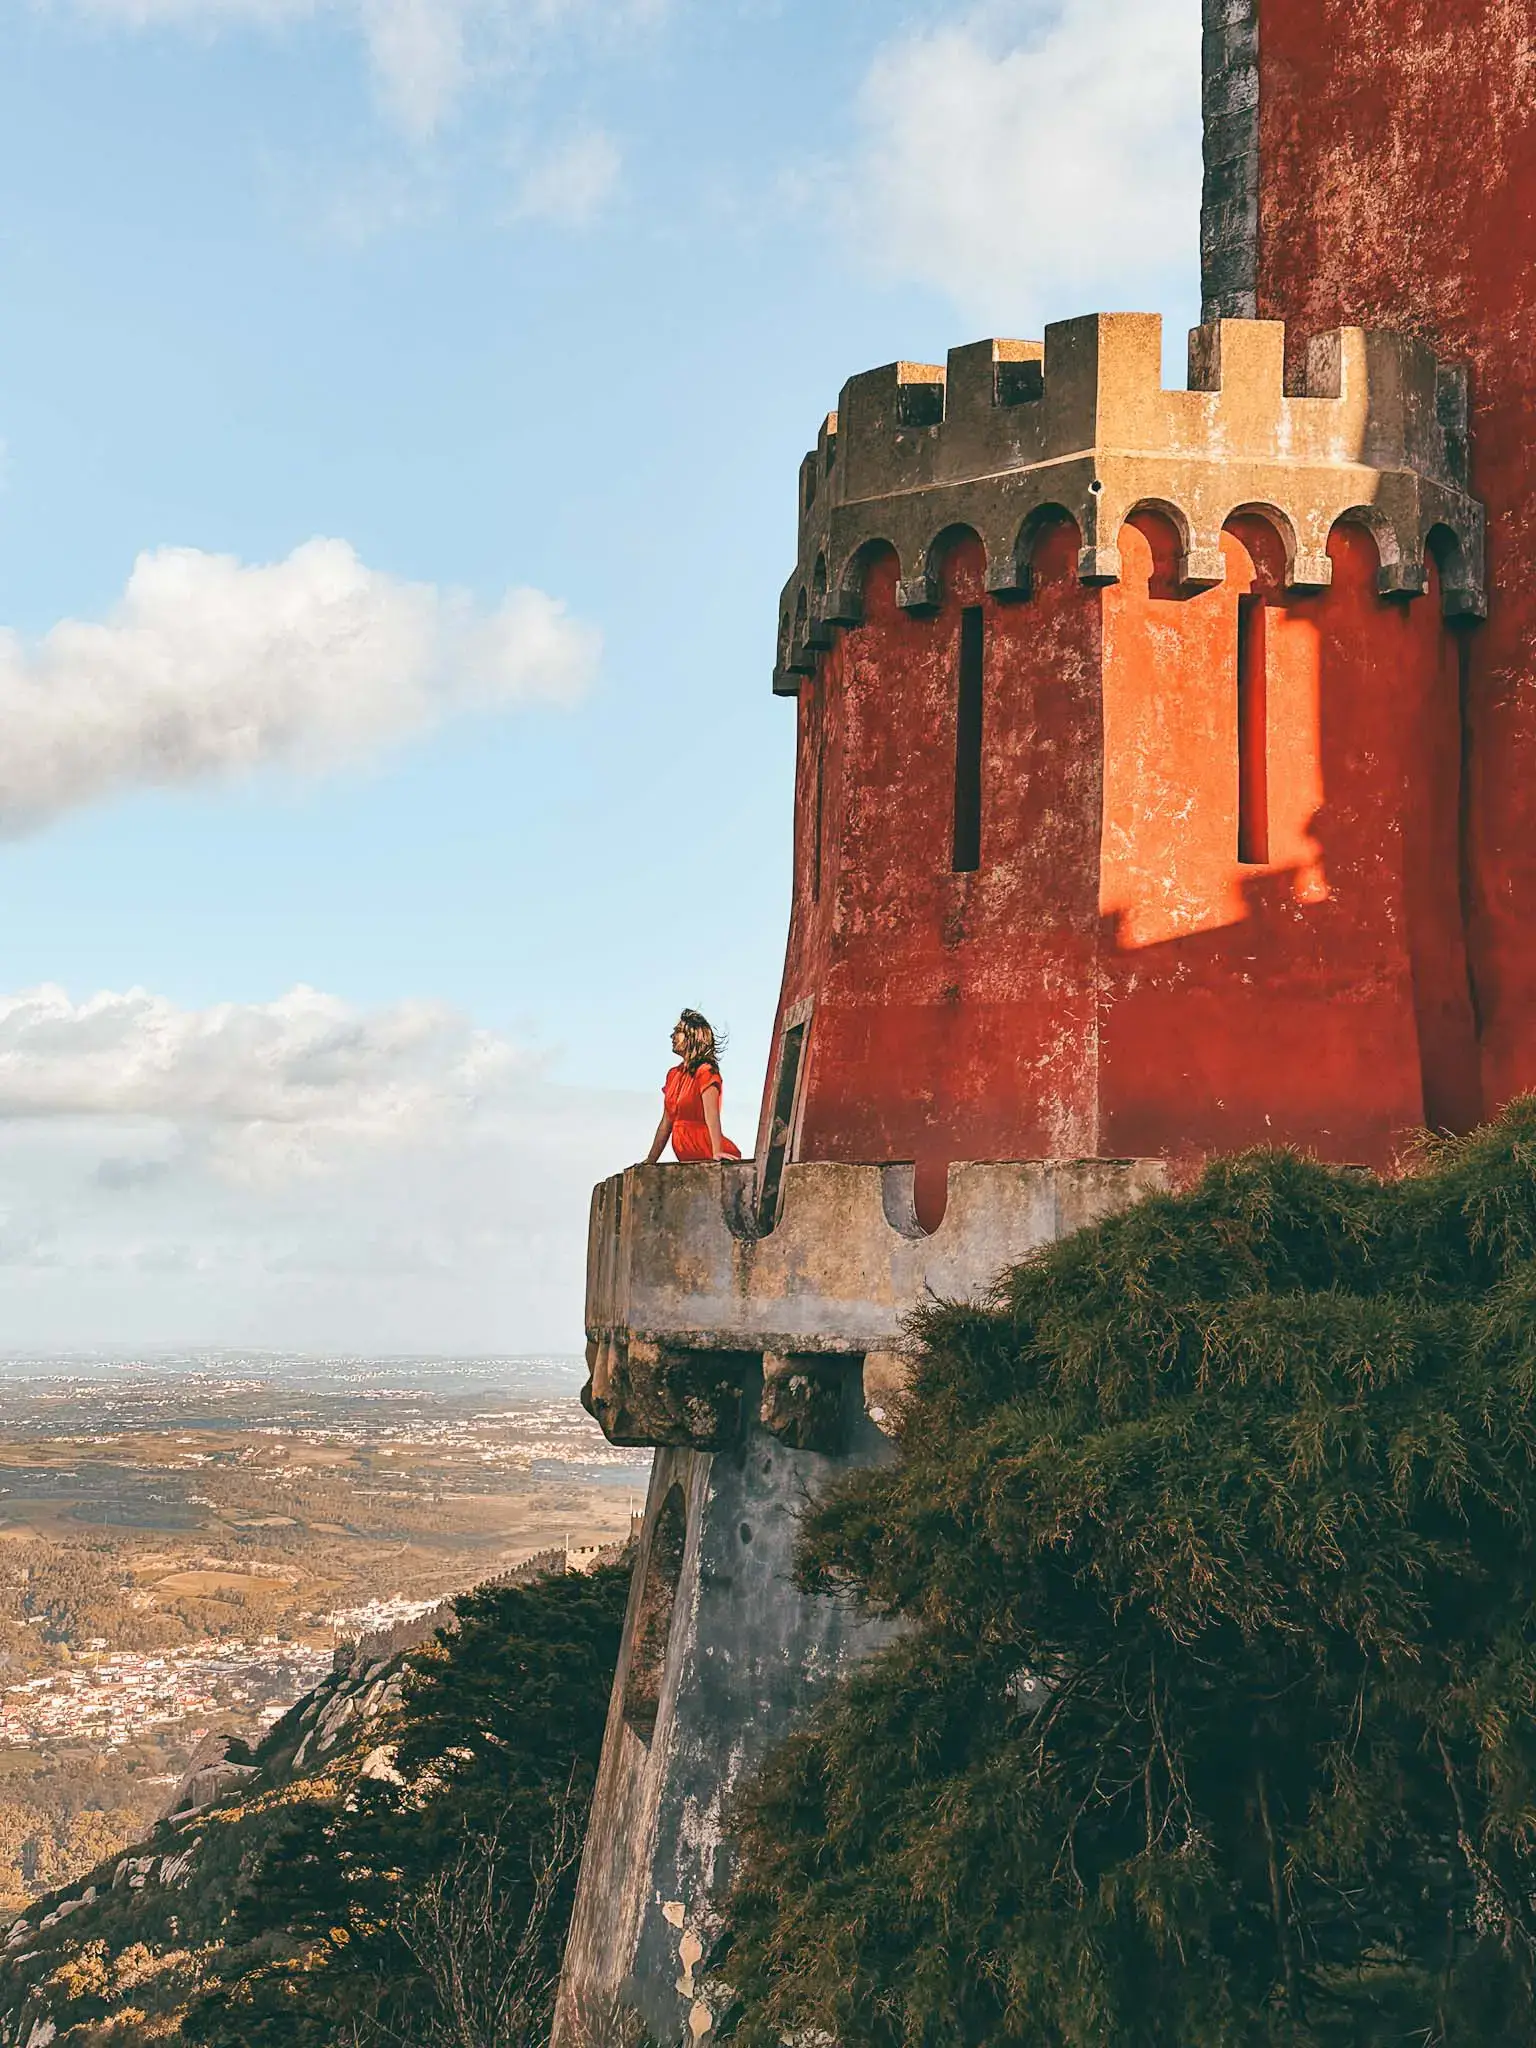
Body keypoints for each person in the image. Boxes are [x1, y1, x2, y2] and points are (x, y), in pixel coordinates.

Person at [646, 1009, 742, 1163]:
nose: (672, 1037)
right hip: (686, 1153)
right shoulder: (673, 1075)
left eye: (678, 1032)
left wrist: (717, 1151)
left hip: (704, 1147)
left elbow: (712, 1115)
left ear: (694, 1036)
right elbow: (666, 1122)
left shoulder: (706, 1071)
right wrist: (650, 1160)